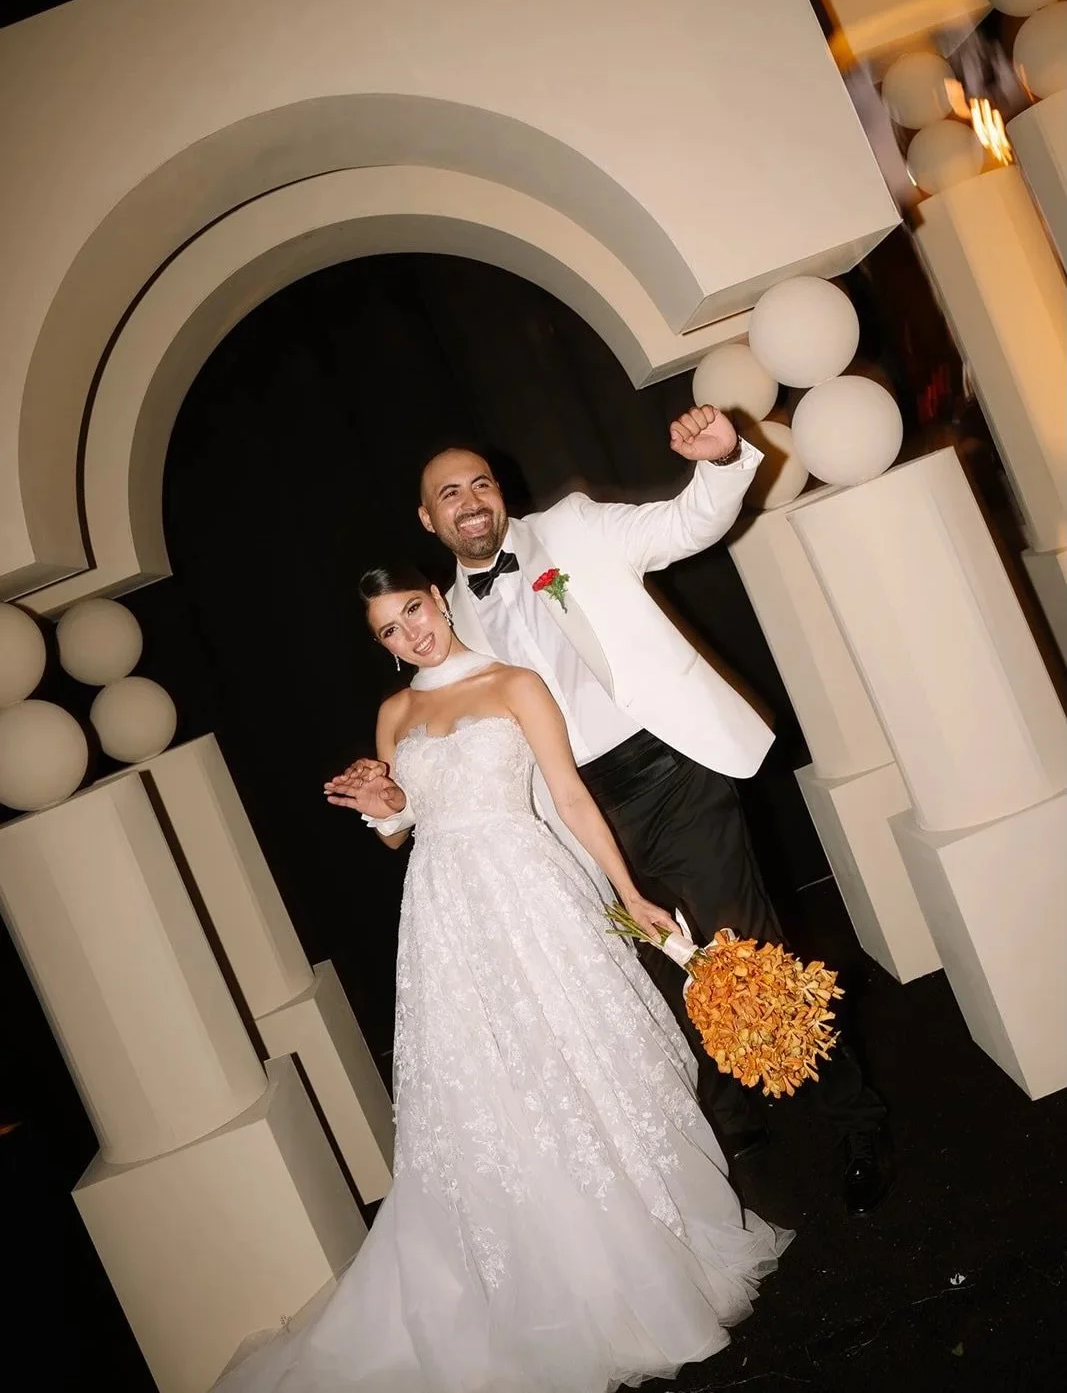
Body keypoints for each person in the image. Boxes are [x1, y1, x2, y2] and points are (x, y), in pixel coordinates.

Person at [216, 566, 790, 1393]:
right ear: (382, 644)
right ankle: (532, 1267)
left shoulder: (515, 683)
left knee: (584, 1059)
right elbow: (399, 832)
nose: (410, 633)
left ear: (436, 599)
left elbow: (570, 796)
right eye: (388, 629)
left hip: (529, 891)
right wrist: (381, 803)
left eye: (413, 610)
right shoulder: (394, 712)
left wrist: (629, 893)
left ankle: (639, 1255)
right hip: (444, 911)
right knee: (484, 1086)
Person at [331, 405, 892, 1216]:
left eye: (480, 484)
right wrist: (393, 806)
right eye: (449, 494)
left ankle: (854, 1122)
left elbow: (686, 525)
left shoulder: (575, 529)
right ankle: (731, 1121)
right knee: (655, 975)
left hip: (665, 775)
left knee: (746, 952)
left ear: (500, 491)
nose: (470, 501)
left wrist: (722, 462)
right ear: (427, 519)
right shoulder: (442, 619)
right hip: (569, 816)